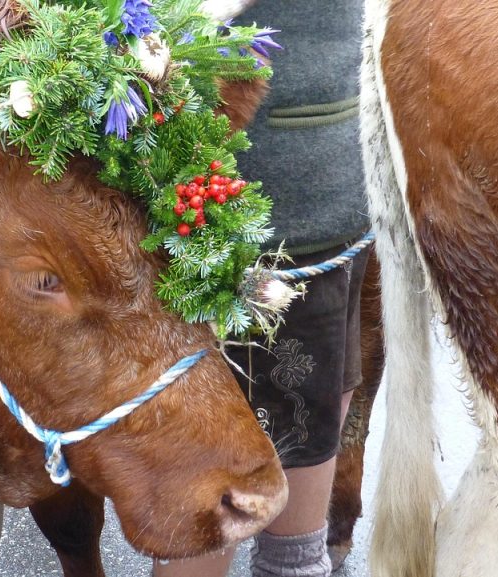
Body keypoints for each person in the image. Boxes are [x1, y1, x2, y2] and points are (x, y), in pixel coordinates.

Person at [154, 0, 369, 575]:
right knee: (204, 457)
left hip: (286, 187)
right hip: (228, 169)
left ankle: (295, 559)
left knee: (290, 421)